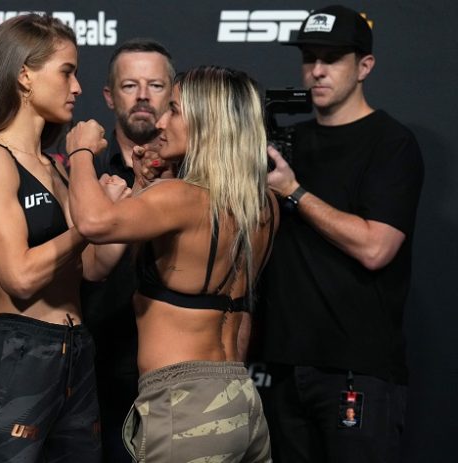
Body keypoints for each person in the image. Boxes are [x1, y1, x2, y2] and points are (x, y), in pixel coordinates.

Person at [0, 14, 127, 462]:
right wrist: (88, 225)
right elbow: (20, 276)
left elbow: (94, 268)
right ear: (24, 74)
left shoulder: (52, 166)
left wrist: (116, 211)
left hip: (76, 352)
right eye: (66, 71)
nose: (77, 87)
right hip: (19, 353)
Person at [67, 65, 278, 463]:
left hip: (189, 408)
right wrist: (146, 186)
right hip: (239, 400)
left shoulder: (181, 197)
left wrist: (79, 153)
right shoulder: (262, 203)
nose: (161, 121)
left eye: (175, 111)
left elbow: (94, 222)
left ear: (208, 123)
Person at [258, 5, 424, 462]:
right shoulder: (285, 146)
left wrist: (293, 192)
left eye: (331, 59)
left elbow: (375, 247)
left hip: (357, 369)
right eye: (309, 58)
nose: (316, 71)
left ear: (364, 65)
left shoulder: (391, 143)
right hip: (285, 368)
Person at [80, 37, 175, 463]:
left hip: (176, 374)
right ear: (108, 96)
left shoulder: (196, 177)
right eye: (129, 85)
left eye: (155, 86)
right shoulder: (83, 174)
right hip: (98, 368)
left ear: (174, 95)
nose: (142, 97)